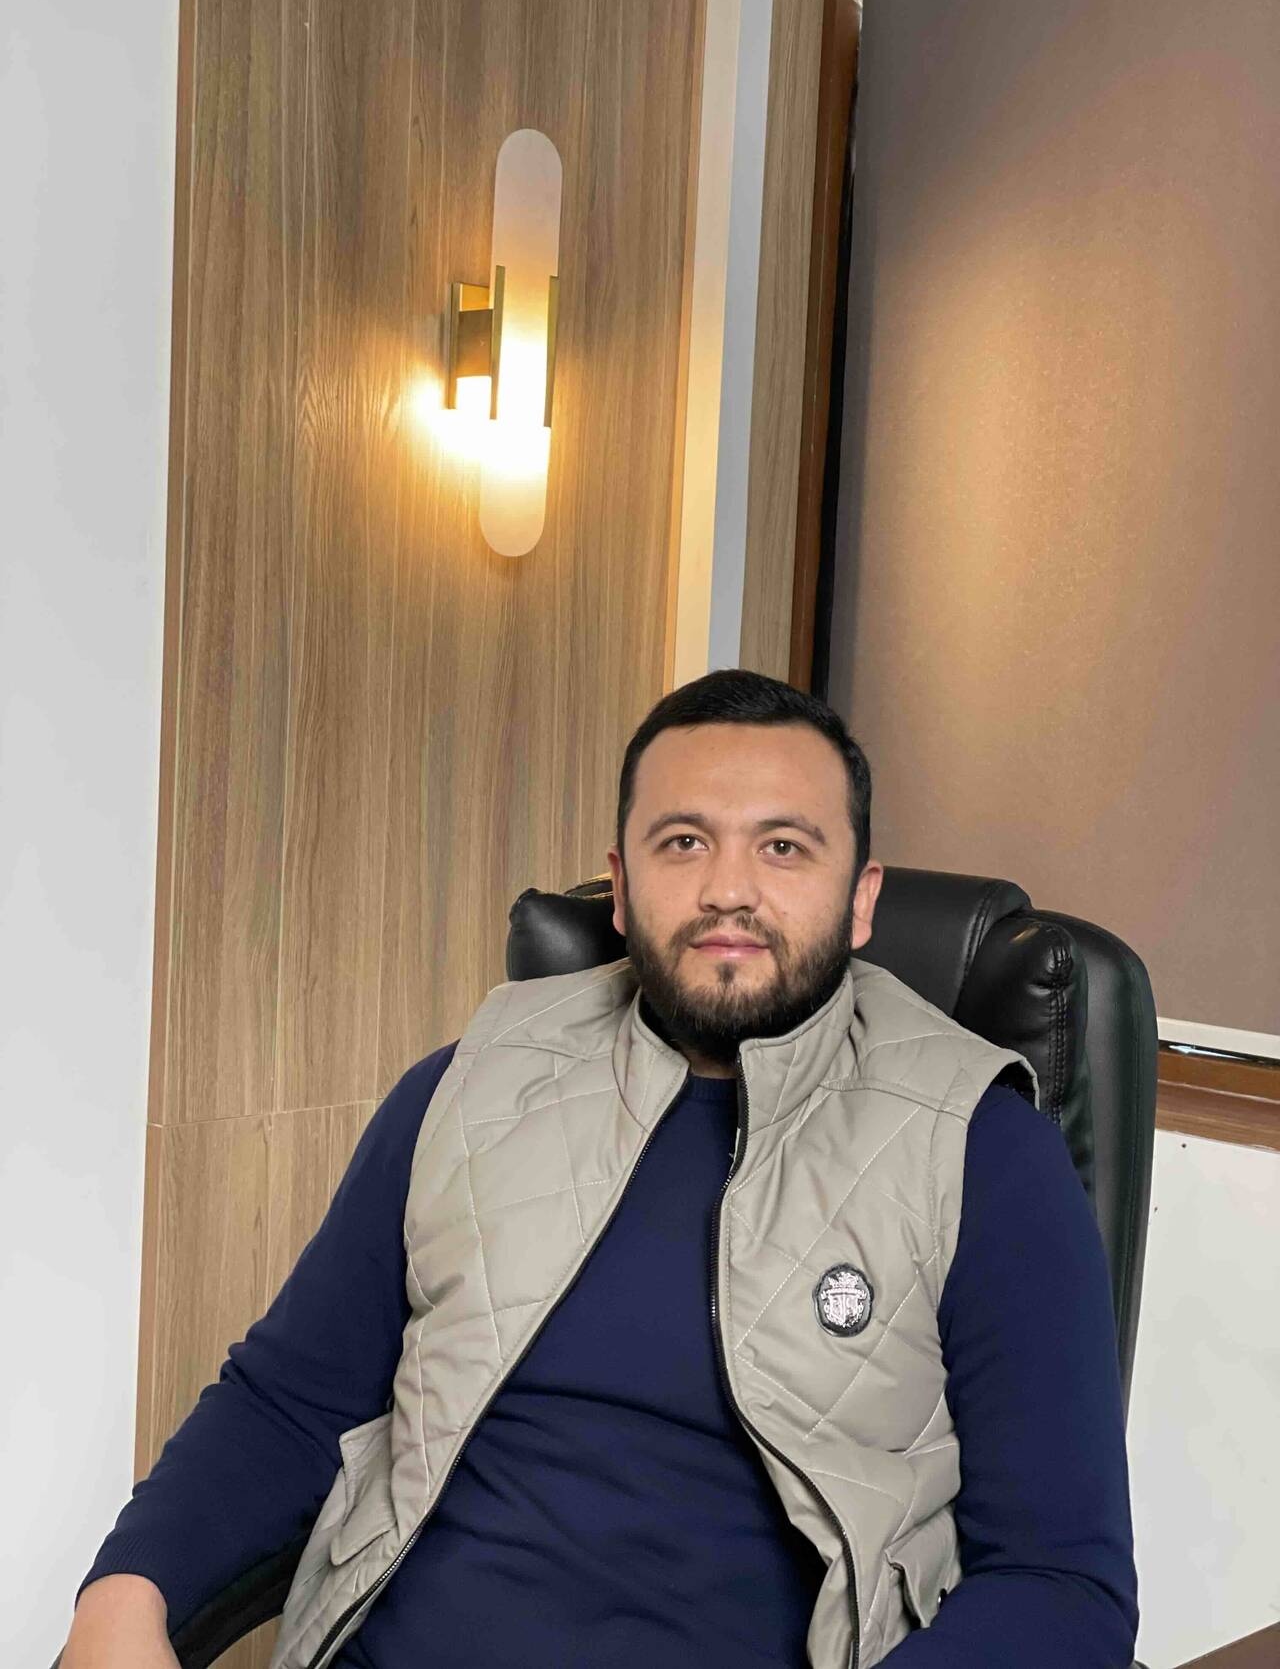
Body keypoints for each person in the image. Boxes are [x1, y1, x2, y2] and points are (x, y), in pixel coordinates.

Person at [61, 670, 1138, 1669]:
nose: (727, 889)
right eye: (683, 841)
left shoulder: (982, 1151)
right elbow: (285, 1403)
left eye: (782, 846)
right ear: (620, 889)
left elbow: (1059, 1584)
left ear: (861, 899)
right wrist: (123, 1594)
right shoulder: (465, 1087)